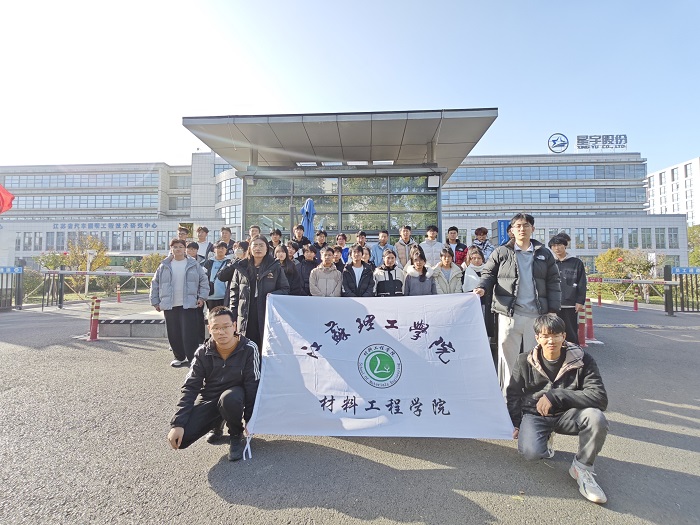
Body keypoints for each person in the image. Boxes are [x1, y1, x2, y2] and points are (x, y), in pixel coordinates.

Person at [506, 314, 609, 504]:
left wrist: (556, 395)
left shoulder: (582, 360)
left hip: (568, 414)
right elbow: (513, 394)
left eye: (556, 335)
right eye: (545, 336)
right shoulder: (524, 360)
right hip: (535, 415)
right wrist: (516, 423)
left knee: (596, 417)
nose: (551, 341)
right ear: (537, 338)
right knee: (531, 453)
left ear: (564, 336)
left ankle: (582, 468)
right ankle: (545, 438)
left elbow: (600, 398)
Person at [474, 213, 561, 395]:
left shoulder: (544, 254)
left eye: (526, 225)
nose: (522, 229)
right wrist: (482, 288)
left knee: (535, 357)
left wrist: (553, 310)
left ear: (533, 229)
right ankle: (507, 395)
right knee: (507, 358)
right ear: (512, 230)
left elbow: (553, 281)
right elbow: (488, 274)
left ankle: (533, 395)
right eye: (518, 226)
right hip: (509, 314)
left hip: (536, 316)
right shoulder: (501, 252)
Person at [167, 306, 260, 462]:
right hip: (210, 397)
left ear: (234, 326)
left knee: (229, 399)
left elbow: (252, 386)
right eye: (216, 328)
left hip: (235, 396)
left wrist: (250, 420)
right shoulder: (202, 352)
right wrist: (177, 424)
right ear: (209, 328)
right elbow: (190, 387)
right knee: (182, 439)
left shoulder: (249, 348)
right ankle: (217, 423)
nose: (221, 332)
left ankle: (235, 435)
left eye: (226, 326)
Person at [219, 235, 290, 350]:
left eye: (261, 245)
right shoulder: (241, 266)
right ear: (250, 248)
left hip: (266, 311)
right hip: (245, 312)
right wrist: (232, 316)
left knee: (265, 345)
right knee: (245, 346)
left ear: (267, 248)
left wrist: (272, 296)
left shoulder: (275, 266)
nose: (258, 248)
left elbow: (285, 289)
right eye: (255, 245)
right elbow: (234, 294)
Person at [150, 238, 209, 367]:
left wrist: (202, 297)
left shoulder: (193, 264)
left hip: (189, 304)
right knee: (173, 333)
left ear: (185, 249)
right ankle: (179, 357)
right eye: (175, 247)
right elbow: (155, 284)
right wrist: (155, 301)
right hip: (170, 304)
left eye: (181, 247)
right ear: (171, 249)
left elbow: (204, 281)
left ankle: (193, 358)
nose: (178, 249)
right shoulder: (164, 265)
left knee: (190, 333)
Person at [549, 235, 587, 344]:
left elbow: (582, 283)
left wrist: (580, 301)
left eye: (559, 245)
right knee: (554, 332)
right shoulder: (550, 263)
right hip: (553, 304)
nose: (557, 248)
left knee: (570, 332)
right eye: (554, 246)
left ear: (565, 246)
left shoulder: (576, 262)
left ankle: (574, 352)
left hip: (570, 304)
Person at [204, 241, 231, 310]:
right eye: (218, 248)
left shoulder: (229, 262)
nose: (220, 250)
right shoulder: (209, 262)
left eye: (222, 248)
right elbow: (203, 277)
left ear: (226, 250)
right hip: (210, 296)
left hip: (225, 297)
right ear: (214, 249)